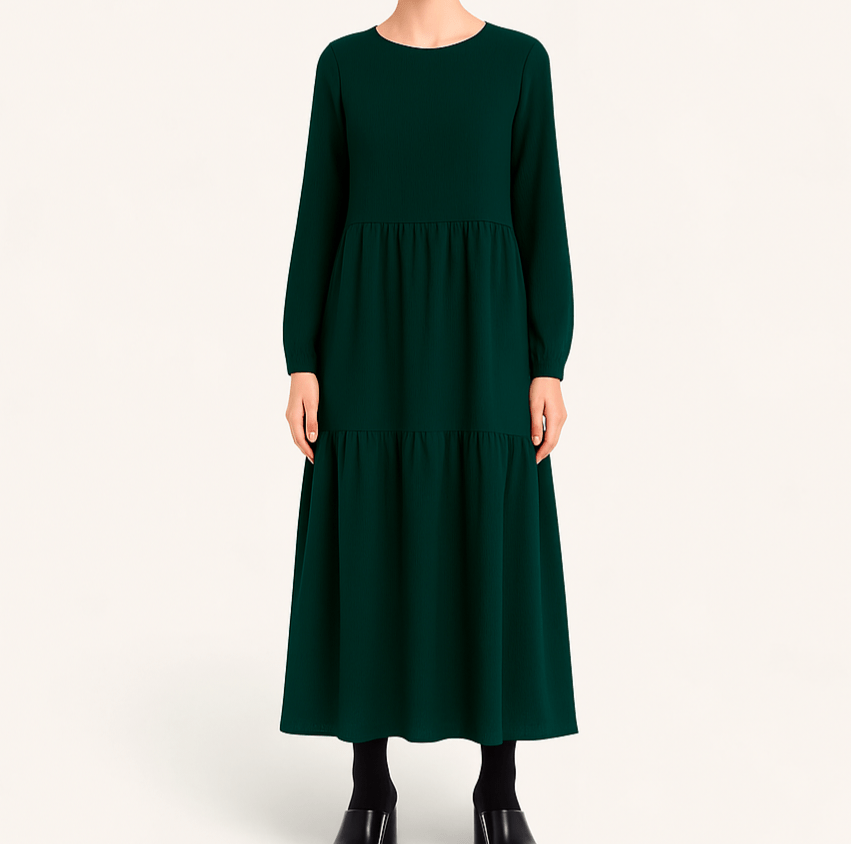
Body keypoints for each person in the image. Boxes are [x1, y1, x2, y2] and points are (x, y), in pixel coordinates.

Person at [280, 3, 578, 842]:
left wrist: (547, 360)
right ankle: (369, 786)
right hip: (366, 334)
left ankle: (498, 787)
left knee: (490, 539)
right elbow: (318, 210)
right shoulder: (344, 64)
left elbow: (540, 211)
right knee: (369, 537)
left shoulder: (519, 61)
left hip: (484, 336)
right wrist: (301, 356)